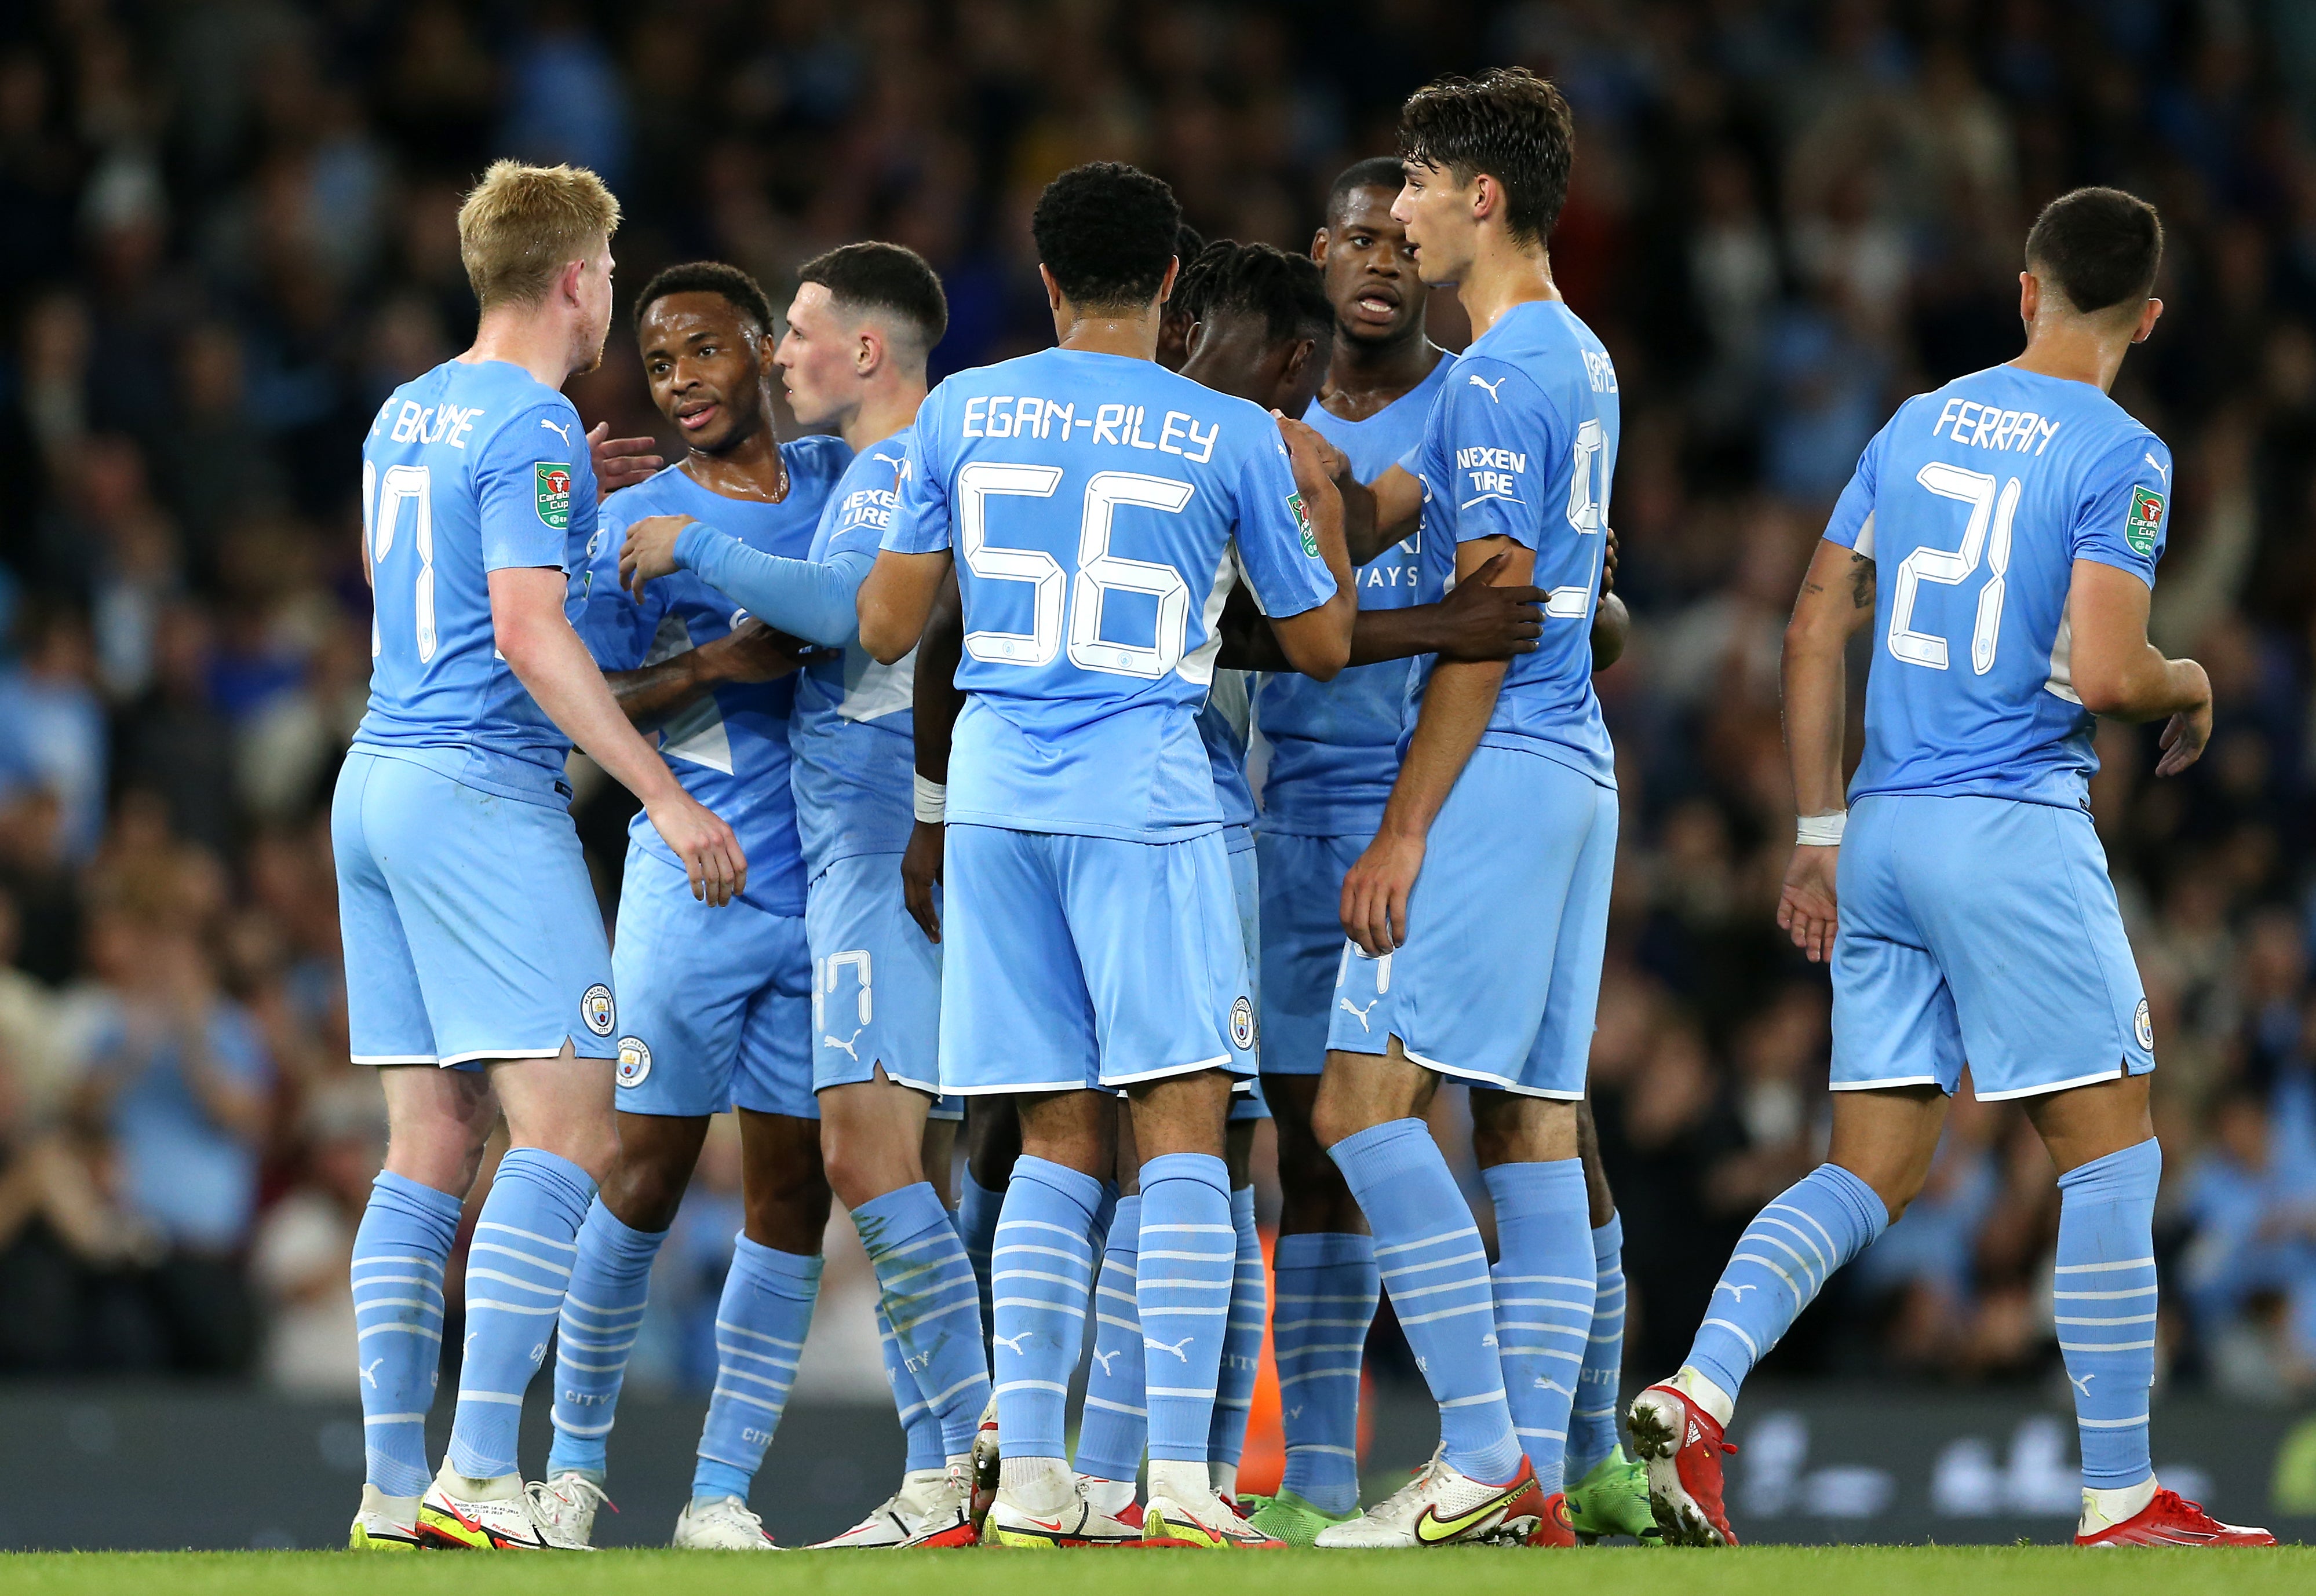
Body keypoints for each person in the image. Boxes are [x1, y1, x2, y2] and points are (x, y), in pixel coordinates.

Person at [1627, 185, 2276, 1551]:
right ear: (2146, 318)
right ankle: (2117, 1499)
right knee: (2109, 1158)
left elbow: (1811, 624)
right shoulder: (2125, 453)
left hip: (1881, 831)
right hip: (2009, 829)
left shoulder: (1914, 421)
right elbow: (2104, 673)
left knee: (1867, 1167)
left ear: (2024, 290)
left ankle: (1698, 1388)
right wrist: (2190, 681)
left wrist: (1814, 831)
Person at [858, 161, 1356, 1549]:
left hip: (1002, 800)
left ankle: (1028, 1483)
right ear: (1174, 286)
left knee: (1049, 1139)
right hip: (1148, 795)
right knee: (1183, 1125)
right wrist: (1318, 498)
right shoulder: (1230, 431)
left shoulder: (958, 409)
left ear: (1048, 280)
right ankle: (1183, 1490)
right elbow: (1318, 647)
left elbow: (894, 627)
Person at [337, 161, 745, 1553]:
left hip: (376, 778)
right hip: (473, 792)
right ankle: (476, 1478)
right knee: (571, 1125)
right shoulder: (531, 425)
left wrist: (569, 497)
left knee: (428, 1144)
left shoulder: (412, 409)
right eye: (615, 277)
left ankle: (396, 1492)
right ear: (578, 277)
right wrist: (664, 799)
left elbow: (441, 586)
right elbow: (521, 634)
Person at [1251, 156, 1652, 1546]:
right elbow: (1471, 555)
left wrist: (1408, 824)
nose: (1392, 237)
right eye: (1363, 223)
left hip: (1458, 778)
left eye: (1410, 201)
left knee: (1365, 1112)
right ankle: (1520, 1470)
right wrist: (1309, 496)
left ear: (1474, 201)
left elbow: (1505, 611)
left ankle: (1499, 1454)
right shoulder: (1576, 352)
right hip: (1485, 776)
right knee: (1520, 1119)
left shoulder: (1482, 374)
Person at [615, 242, 992, 1550]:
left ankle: (974, 1457)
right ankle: (948, 1472)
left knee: (868, 1162)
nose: (779, 357)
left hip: (882, 843)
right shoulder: (856, 468)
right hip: (854, 854)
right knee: (888, 1166)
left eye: (797, 334)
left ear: (866, 352)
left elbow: (854, 613)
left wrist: (689, 540)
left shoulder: (905, 464)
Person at [535, 260, 848, 1551]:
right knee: (647, 1172)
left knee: (791, 1195)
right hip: (692, 881)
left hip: (825, 894)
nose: (680, 384)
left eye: (702, 353)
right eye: (659, 365)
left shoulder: (842, 486)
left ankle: (718, 1493)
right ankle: (572, 1470)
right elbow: (578, 718)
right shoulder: (629, 525)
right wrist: (714, 662)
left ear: (763, 349)